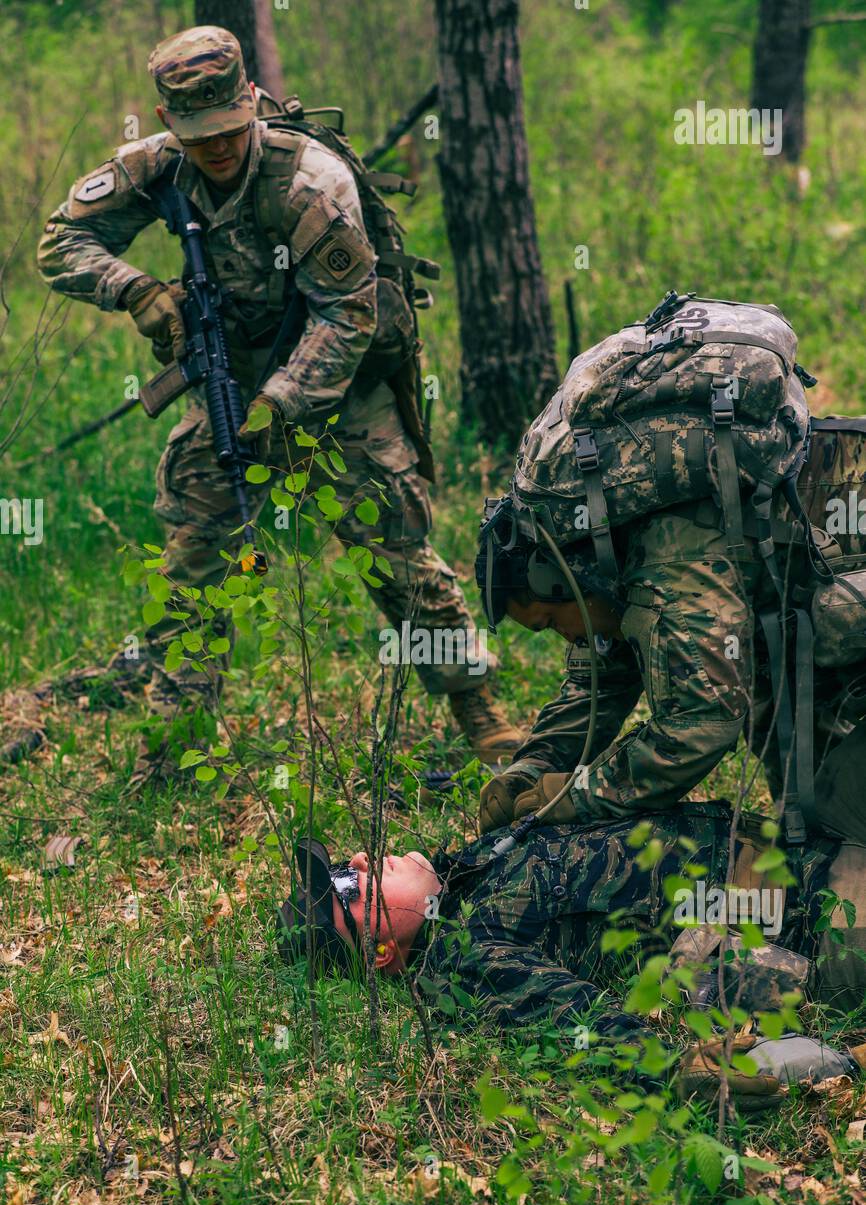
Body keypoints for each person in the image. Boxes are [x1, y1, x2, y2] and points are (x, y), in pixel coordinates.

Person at [37, 24, 523, 780]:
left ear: (253, 101)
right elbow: (61, 239)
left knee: (396, 555)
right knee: (195, 557)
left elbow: (350, 314)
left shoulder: (309, 182)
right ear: (169, 124)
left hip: (336, 390)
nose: (220, 147)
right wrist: (133, 290)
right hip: (229, 385)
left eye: (231, 128)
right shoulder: (158, 169)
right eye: (200, 136)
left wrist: (284, 404)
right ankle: (182, 733)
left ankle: (478, 709)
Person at [473, 300, 866, 847]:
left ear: (560, 580)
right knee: (809, 834)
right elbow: (598, 682)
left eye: (549, 622)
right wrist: (534, 767)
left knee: (841, 827)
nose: (565, 638)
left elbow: (700, 725)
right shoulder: (614, 556)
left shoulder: (673, 556)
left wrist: (574, 796)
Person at [276, 800, 866, 1105]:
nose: (356, 862)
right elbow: (570, 1018)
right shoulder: (465, 954)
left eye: (340, 866)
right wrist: (671, 1064)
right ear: (381, 953)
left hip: (800, 839)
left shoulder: (465, 872)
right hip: (822, 909)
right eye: (347, 890)